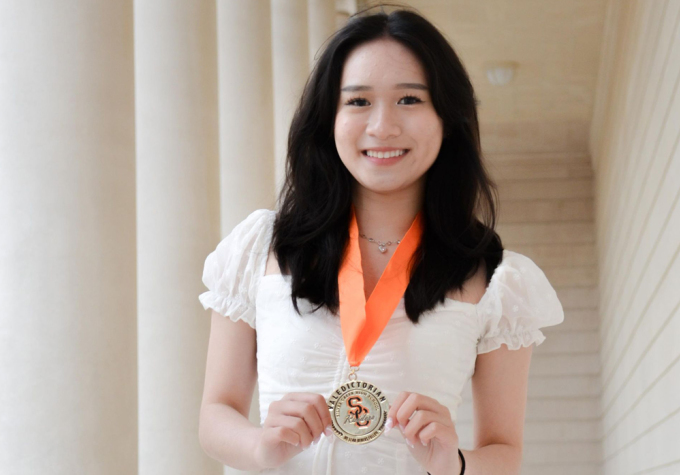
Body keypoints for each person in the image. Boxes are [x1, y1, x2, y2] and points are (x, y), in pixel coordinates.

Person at [197, 6, 564, 475]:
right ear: (328, 119)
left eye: (409, 100)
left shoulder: (493, 279)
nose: (382, 127)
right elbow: (215, 414)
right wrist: (258, 447)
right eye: (358, 101)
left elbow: (504, 451)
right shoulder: (261, 248)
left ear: (446, 118)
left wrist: (453, 462)